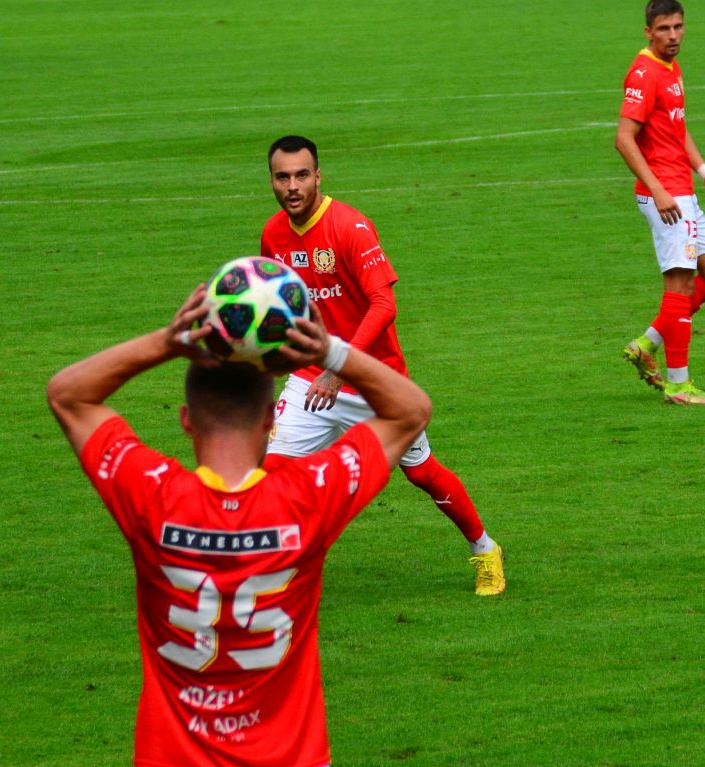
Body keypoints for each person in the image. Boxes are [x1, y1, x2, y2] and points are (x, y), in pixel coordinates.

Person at [47, 286, 431, 767]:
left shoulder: (152, 496)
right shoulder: (308, 497)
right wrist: (329, 352)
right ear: (271, 419)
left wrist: (167, 342)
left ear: (186, 421)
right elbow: (411, 410)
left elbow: (67, 395)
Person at [259, 135, 506, 596]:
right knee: (271, 472)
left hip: (376, 381)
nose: (292, 186)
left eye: (301, 175)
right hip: (312, 378)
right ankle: (282, 565)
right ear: (271, 180)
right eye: (282, 177)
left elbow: (384, 304)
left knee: (421, 472)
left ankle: (485, 550)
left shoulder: (350, 227)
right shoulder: (273, 234)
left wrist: (340, 368)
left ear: (318, 177)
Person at [615, 0, 705, 406]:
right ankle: (679, 386)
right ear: (648, 32)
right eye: (663, 29)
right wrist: (659, 190)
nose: (672, 36)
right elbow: (623, 139)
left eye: (678, 27)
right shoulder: (644, 73)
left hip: (683, 188)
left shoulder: (671, 67)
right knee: (680, 284)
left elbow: (677, 129)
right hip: (665, 194)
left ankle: (647, 344)